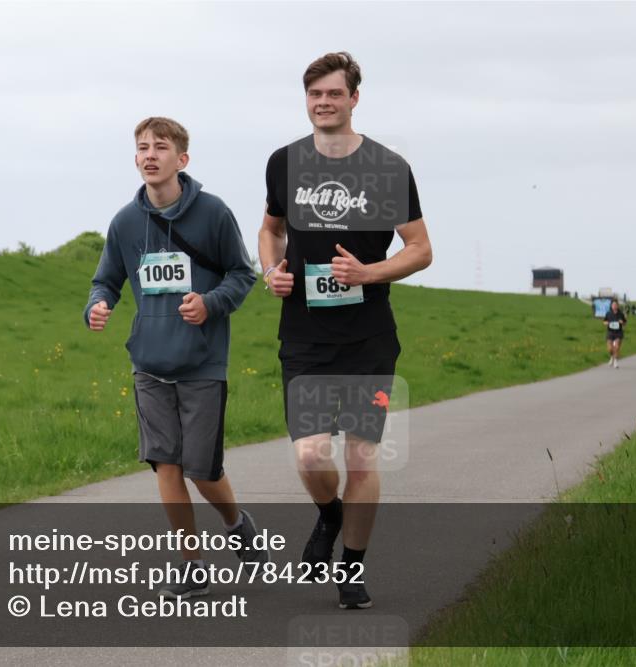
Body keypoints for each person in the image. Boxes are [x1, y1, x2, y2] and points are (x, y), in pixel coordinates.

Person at [258, 52, 432, 609]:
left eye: (334, 94)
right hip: (305, 335)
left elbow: (421, 249)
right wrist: (271, 270)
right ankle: (329, 514)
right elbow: (270, 230)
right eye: (315, 95)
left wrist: (368, 273)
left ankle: (352, 570)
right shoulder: (283, 163)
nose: (323, 103)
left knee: (360, 458)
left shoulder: (387, 168)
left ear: (355, 99)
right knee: (310, 455)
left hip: (367, 337)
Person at [83, 117, 265, 600]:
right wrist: (97, 304)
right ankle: (192, 565)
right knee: (166, 464)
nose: (149, 155)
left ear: (181, 160)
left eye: (160, 147)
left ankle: (236, 523)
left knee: (203, 471)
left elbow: (242, 275)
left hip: (203, 364)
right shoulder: (125, 222)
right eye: (142, 147)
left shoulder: (213, 213)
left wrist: (210, 303)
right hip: (150, 365)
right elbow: (106, 279)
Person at [603, 299, 626, 368]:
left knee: (616, 347)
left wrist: (622, 322)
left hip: (618, 332)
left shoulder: (621, 314)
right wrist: (607, 323)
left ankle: (615, 361)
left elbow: (625, 323)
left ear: (618, 306)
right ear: (611, 306)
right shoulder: (608, 313)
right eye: (613, 305)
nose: (614, 306)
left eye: (616, 305)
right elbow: (604, 321)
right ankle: (611, 357)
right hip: (610, 332)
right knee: (610, 349)